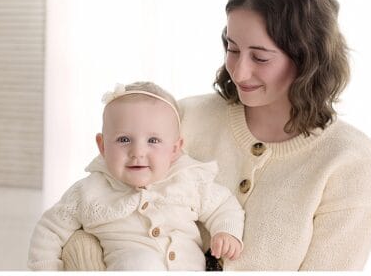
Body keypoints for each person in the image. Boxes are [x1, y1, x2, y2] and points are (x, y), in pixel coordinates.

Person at [59, 0, 371, 271]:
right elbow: (88, 209)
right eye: (232, 49)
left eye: (260, 57)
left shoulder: (351, 161)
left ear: (307, 57)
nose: (240, 71)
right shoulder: (184, 118)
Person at [28, 82, 244, 270]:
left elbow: (223, 205)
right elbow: (49, 231)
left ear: (175, 149)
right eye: (123, 140)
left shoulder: (189, 181)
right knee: (140, 263)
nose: (137, 152)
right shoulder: (89, 191)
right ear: (102, 146)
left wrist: (226, 232)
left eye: (153, 141)